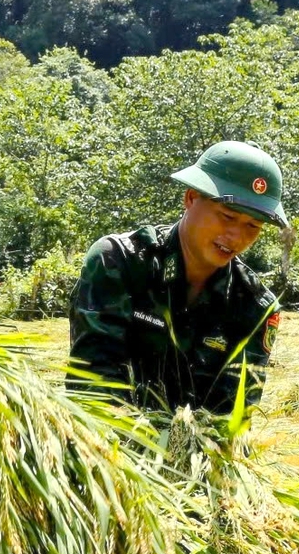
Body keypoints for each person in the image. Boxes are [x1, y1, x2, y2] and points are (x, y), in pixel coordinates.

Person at [67, 140, 286, 413]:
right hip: (107, 444)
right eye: (228, 217)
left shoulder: (255, 308)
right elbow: (93, 386)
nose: (237, 237)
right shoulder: (120, 262)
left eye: (253, 225)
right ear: (191, 198)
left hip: (196, 452)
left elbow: (232, 417)